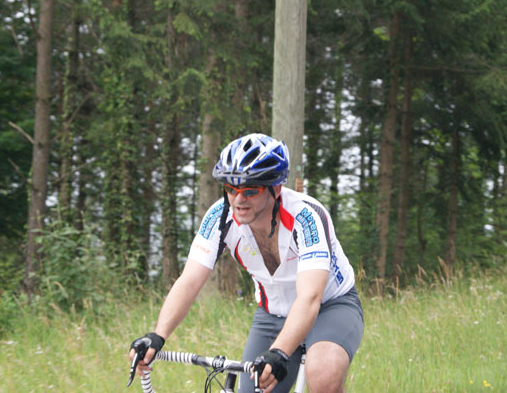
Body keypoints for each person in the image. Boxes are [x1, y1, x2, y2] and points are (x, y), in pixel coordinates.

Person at [128, 133, 364, 392]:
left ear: (275, 188)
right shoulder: (221, 216)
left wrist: (279, 351)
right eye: (231, 189)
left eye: (250, 191)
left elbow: (310, 297)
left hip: (329, 307)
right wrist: (157, 336)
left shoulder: (306, 216)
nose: (239, 199)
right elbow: (189, 281)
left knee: (323, 374)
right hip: (272, 313)